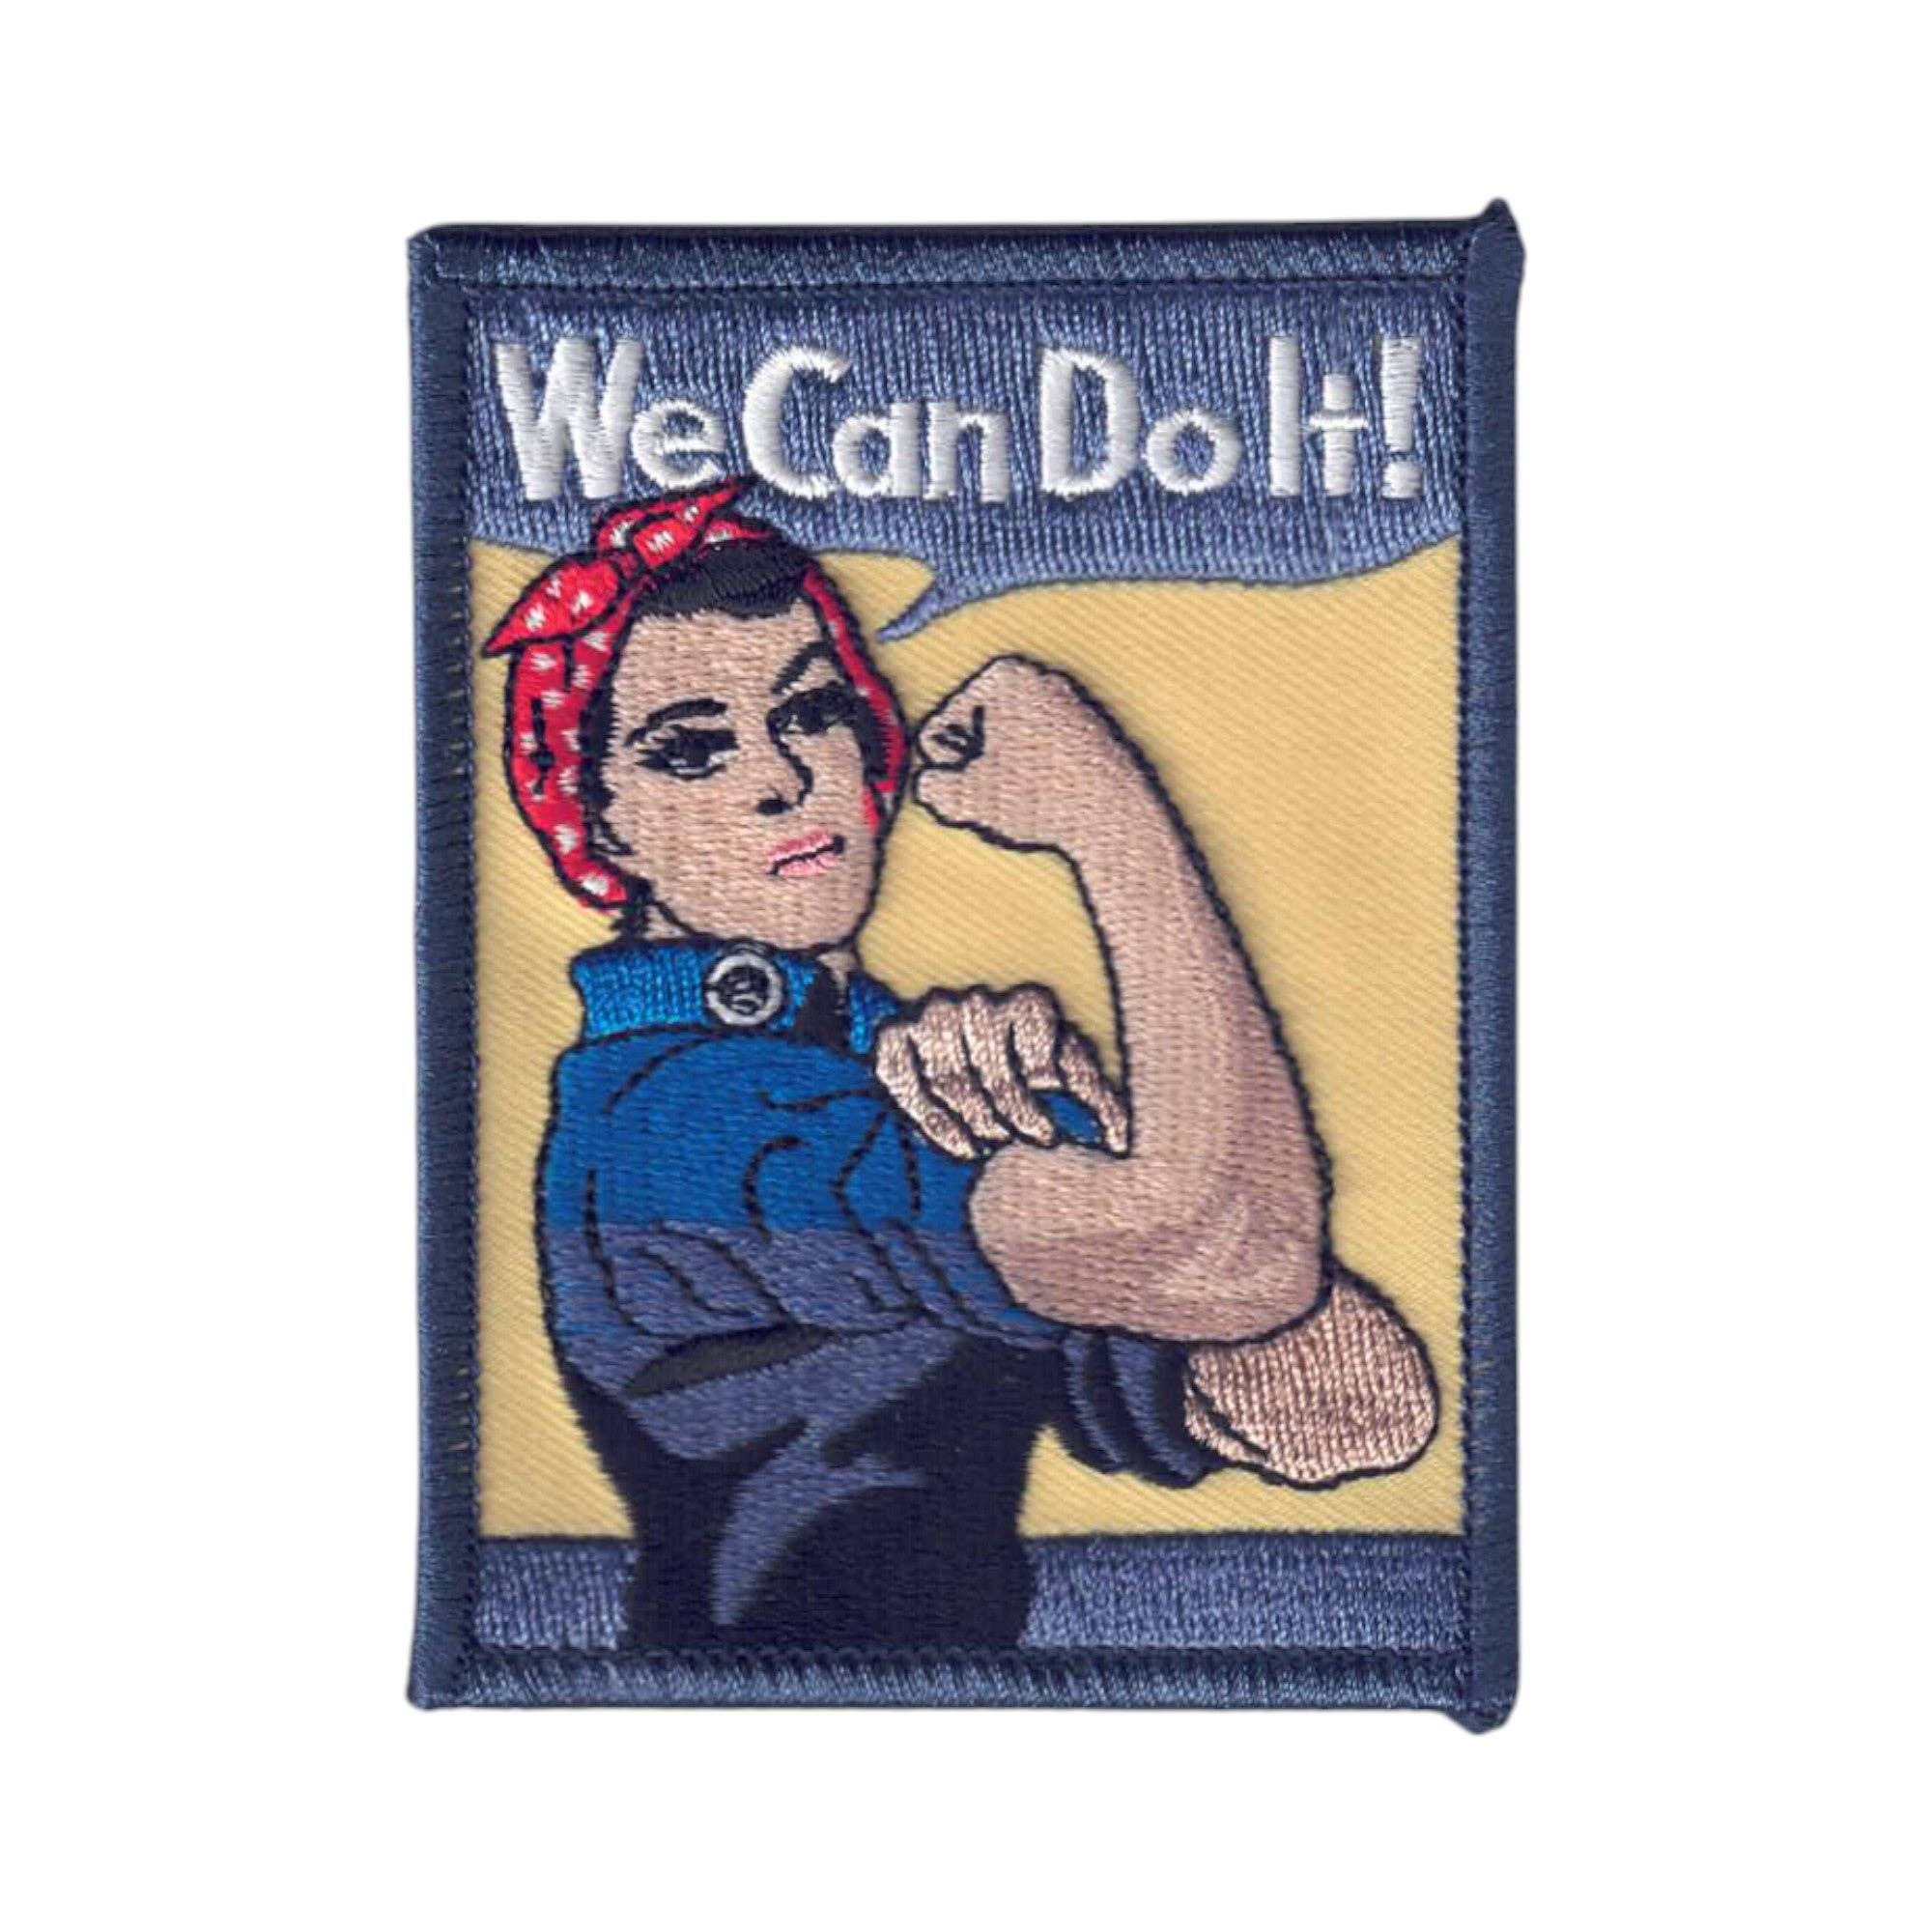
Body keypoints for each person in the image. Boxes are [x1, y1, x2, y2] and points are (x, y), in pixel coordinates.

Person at [483, 479, 1438, 1647]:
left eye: (811, 709)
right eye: (691, 750)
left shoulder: (873, 1074)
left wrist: (1102, 1131)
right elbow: (1230, 1253)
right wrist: (1114, 822)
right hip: (767, 1711)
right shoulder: (677, 1121)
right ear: (603, 823)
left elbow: (1350, 1413)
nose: (783, 775)